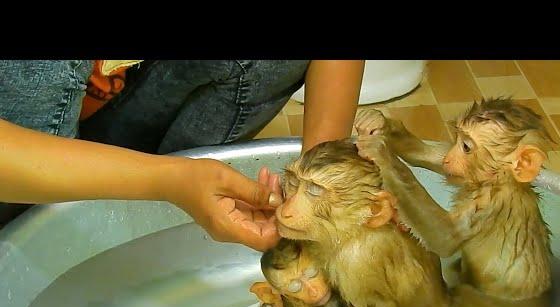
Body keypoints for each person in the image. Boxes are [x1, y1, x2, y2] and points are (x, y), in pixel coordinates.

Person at [0, 60, 365, 251]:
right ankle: (33, 236)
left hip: (115, 111)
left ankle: (163, 212)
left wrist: (321, 192)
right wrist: (170, 180)